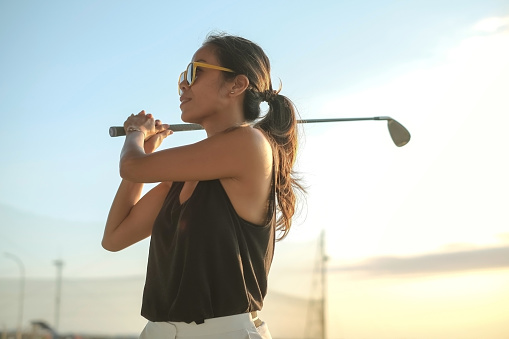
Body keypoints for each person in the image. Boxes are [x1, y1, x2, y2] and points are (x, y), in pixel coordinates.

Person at [102, 33, 303, 339]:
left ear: (236, 85)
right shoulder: (184, 172)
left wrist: (134, 133)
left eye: (196, 72)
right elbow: (114, 237)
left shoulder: (249, 144)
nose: (183, 84)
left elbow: (132, 166)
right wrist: (147, 150)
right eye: (183, 75)